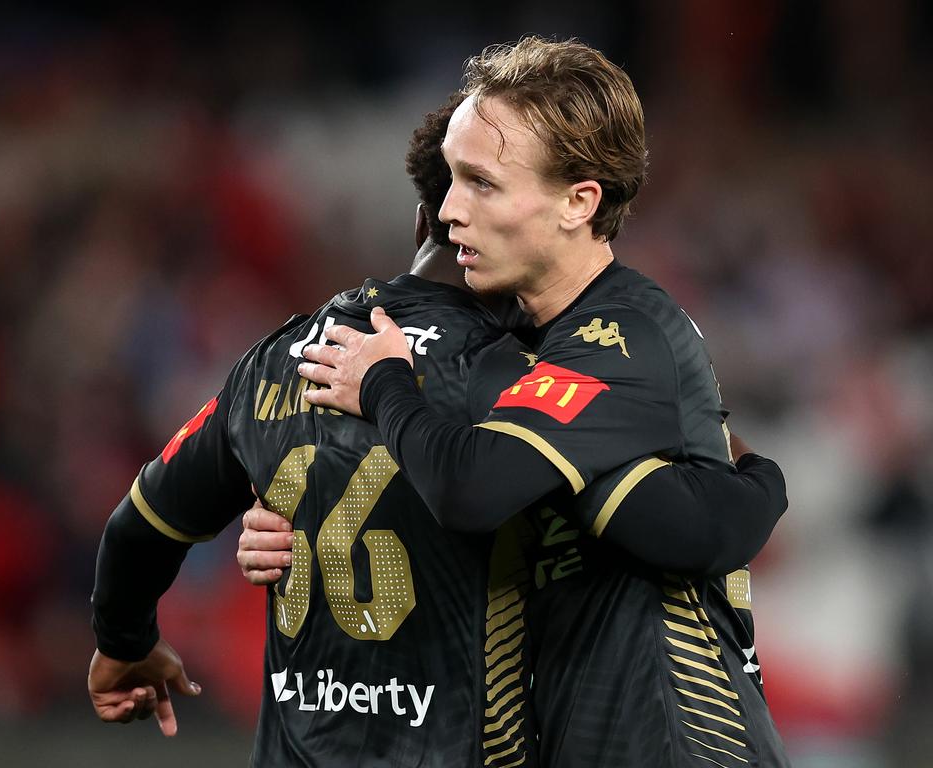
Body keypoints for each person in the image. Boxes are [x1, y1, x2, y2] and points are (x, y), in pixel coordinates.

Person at [89, 90, 786, 766]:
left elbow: (136, 528)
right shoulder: (513, 377)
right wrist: (757, 479)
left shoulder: (274, 361)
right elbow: (680, 524)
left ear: (417, 223)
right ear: (446, 217)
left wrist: (124, 643)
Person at [296, 37, 791, 766]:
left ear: (578, 201)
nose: (450, 211)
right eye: (449, 183)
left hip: (674, 741)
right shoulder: (527, 342)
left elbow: (471, 486)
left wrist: (384, 384)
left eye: (482, 184)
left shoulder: (623, 332)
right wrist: (287, 523)